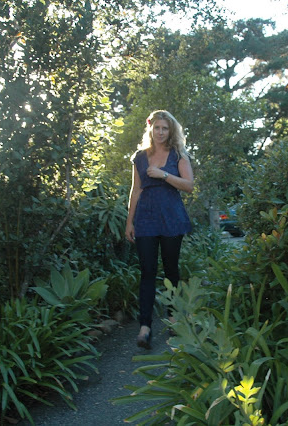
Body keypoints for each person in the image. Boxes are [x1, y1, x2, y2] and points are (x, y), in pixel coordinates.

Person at [125, 110, 194, 349]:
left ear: (171, 131)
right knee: (147, 271)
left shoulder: (178, 154)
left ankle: (174, 318)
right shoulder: (140, 157)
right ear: (151, 129)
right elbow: (136, 190)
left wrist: (164, 175)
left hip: (171, 218)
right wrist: (129, 222)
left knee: (171, 270)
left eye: (165, 128)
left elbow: (189, 185)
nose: (161, 132)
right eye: (157, 128)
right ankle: (145, 327)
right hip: (145, 219)